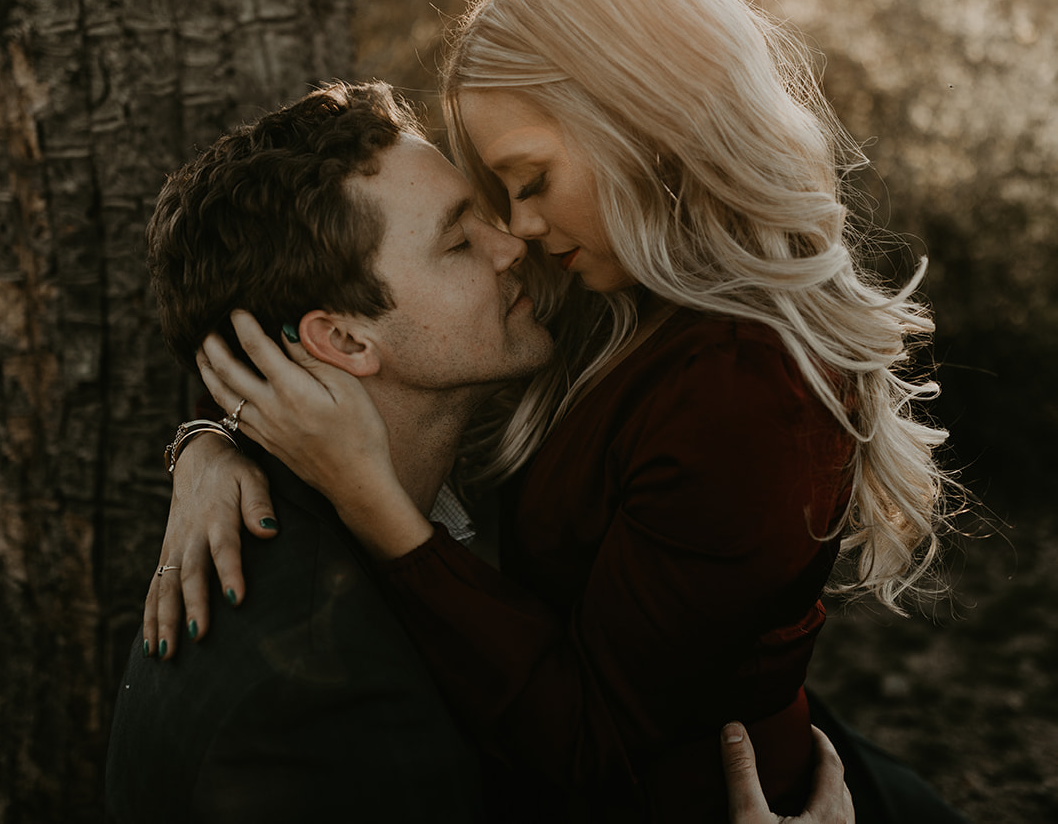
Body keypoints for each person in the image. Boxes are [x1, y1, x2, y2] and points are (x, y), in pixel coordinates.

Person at [151, 0, 957, 820]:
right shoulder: (602, 281)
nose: (517, 230)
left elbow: (596, 743)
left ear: (641, 123)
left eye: (529, 179)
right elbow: (316, 307)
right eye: (494, 201)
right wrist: (213, 441)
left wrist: (371, 502)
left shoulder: (747, 389)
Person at [107, 80, 857, 824]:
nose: (512, 242)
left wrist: (210, 436)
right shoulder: (321, 686)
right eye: (460, 240)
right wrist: (210, 436)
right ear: (341, 340)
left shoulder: (591, 356)